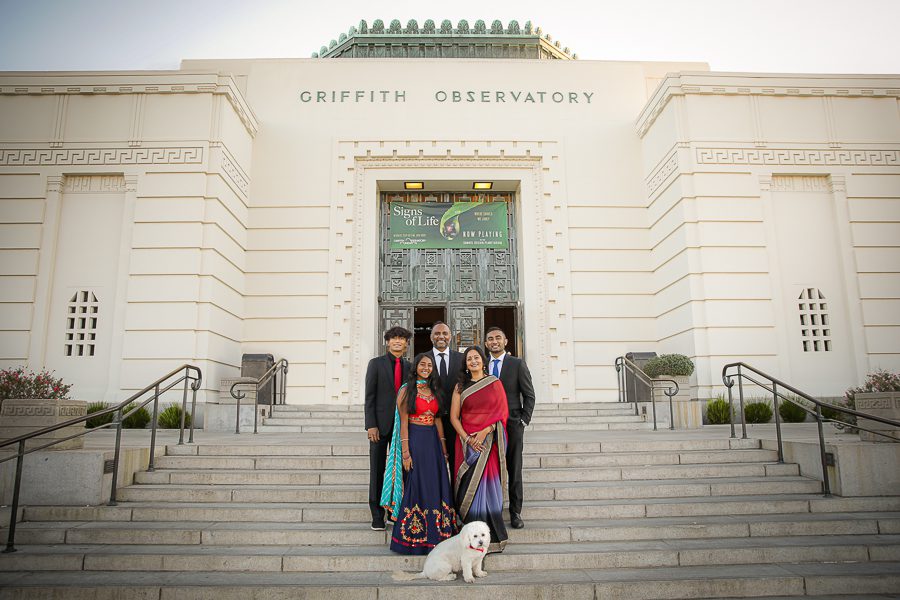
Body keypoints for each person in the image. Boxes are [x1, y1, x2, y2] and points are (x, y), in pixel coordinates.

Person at [388, 353, 458, 554]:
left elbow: (437, 419)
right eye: (422, 364)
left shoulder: (434, 389)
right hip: (416, 440)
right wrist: (406, 453)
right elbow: (403, 423)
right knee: (418, 484)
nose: (426, 368)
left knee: (436, 484)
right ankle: (414, 538)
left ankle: (439, 535)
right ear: (416, 367)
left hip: (433, 442)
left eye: (429, 365)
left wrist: (443, 448)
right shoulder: (407, 390)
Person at [450, 345, 509, 553]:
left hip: (488, 443)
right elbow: (454, 417)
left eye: (476, 358)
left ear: (483, 361)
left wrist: (486, 431)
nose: (473, 361)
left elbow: (503, 414)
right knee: (469, 487)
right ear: (465, 364)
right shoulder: (460, 387)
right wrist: (467, 439)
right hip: (467, 445)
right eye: (469, 359)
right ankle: (470, 537)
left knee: (488, 487)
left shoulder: (494, 383)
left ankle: (492, 537)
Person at [484, 326, 535, 530]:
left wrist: (524, 420)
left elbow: (529, 394)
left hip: (512, 423)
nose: (494, 341)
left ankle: (515, 512)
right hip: (486, 425)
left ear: (505, 341)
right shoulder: (481, 364)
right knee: (490, 468)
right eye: (490, 339)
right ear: (486, 343)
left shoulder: (517, 364)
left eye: (498, 338)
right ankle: (491, 509)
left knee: (514, 467)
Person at [364, 326, 411, 531]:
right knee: (377, 469)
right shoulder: (376, 364)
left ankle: (395, 512)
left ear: (406, 343)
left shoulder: (411, 367)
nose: (397, 341)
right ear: (388, 342)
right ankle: (377, 514)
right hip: (380, 426)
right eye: (394, 338)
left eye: (401, 338)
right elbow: (369, 397)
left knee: (400, 470)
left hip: (403, 427)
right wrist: (371, 425)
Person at [430, 321, 463, 470]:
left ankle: (455, 487)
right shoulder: (423, 359)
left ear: (451, 336)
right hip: (430, 421)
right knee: (433, 463)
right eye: (437, 333)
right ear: (431, 337)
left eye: (445, 333)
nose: (441, 336)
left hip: (456, 420)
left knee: (456, 462)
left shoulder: (462, 359)